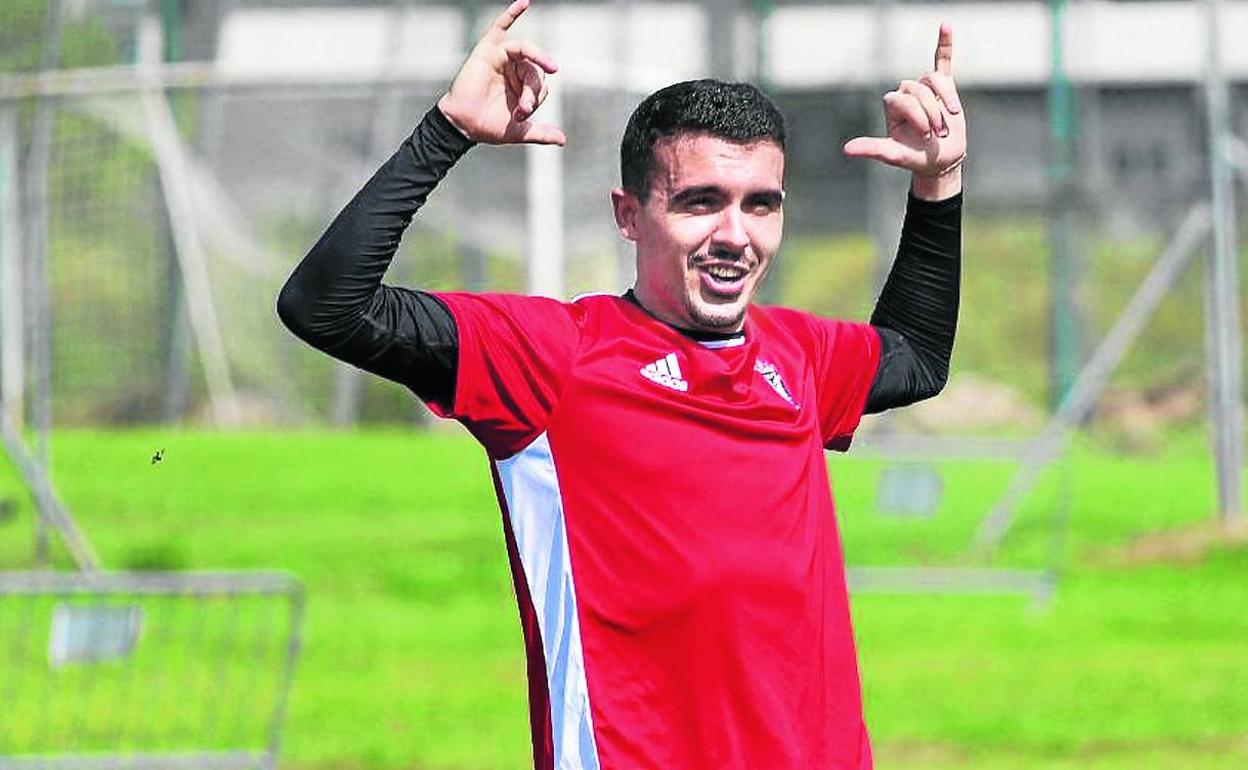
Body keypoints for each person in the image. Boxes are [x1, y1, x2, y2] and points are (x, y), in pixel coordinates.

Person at [277, 0, 964, 767]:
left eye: (759, 205)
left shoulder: (796, 354)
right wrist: (447, 132)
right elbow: (326, 307)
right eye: (701, 202)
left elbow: (913, 356)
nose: (734, 234)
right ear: (629, 215)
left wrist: (940, 182)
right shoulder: (552, 357)